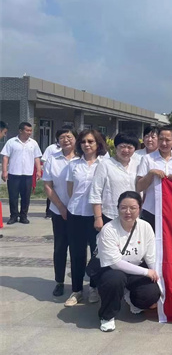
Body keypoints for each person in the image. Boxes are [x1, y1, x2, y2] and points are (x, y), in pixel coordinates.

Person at [96, 191, 160, 332]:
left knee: (151, 293)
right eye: (123, 207)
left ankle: (131, 299)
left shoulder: (145, 227)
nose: (128, 212)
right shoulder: (109, 229)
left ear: (140, 209)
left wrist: (158, 278)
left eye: (133, 208)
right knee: (115, 280)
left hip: (136, 268)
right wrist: (146, 272)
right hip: (113, 270)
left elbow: (151, 257)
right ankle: (107, 316)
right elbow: (115, 263)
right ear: (117, 208)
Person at [64, 129, 107, 306]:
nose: (86, 145)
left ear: (98, 144)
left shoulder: (105, 164)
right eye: (83, 141)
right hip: (76, 213)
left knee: (97, 253)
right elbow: (70, 189)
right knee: (76, 253)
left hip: (96, 215)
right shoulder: (74, 164)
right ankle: (77, 290)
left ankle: (94, 288)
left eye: (90, 141)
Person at [43, 127, 77, 297]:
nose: (66, 140)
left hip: (80, 212)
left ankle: (78, 285)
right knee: (60, 248)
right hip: (58, 210)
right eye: (62, 137)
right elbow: (48, 186)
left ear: (75, 139)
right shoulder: (52, 159)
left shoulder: (83, 158)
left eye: (69, 136)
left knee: (78, 249)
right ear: (58, 141)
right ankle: (59, 282)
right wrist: (61, 207)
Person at [137, 125, 172, 231]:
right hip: (151, 210)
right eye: (161, 139)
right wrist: (151, 174)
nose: (164, 143)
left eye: (167, 140)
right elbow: (139, 187)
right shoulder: (147, 159)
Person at [89, 132, 140, 231]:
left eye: (130, 147)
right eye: (122, 146)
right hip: (110, 215)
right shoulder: (105, 164)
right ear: (116, 147)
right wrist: (98, 218)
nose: (126, 150)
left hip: (133, 215)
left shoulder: (138, 164)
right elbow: (96, 192)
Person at [1, 122, 43, 224]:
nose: (29, 132)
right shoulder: (11, 142)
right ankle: (13, 216)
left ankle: (23, 216)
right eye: (27, 130)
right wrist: (4, 171)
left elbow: (37, 157)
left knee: (26, 197)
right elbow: (5, 157)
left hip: (27, 174)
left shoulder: (33, 143)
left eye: (30, 130)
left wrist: (38, 171)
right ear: (20, 131)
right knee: (13, 196)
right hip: (14, 174)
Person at [42, 141, 62, 218]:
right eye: (62, 137)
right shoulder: (51, 148)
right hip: (54, 175)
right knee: (51, 193)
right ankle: (49, 212)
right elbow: (44, 160)